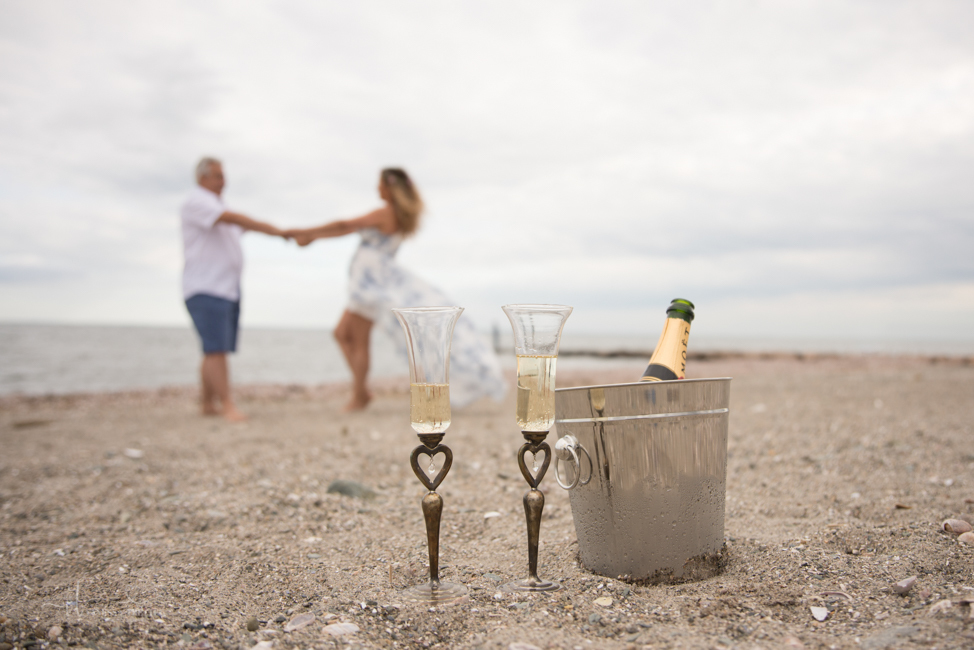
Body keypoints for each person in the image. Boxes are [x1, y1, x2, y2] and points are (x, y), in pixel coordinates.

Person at [287, 168, 506, 411]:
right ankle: (361, 391)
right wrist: (312, 236)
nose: (377, 188)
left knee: (358, 340)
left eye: (379, 184)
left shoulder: (386, 212)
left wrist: (307, 233)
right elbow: (346, 226)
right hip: (370, 279)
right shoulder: (399, 215)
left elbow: (345, 225)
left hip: (371, 283)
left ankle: (359, 396)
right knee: (341, 333)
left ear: (390, 188)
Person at [181, 157, 290, 421]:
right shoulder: (198, 202)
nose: (223, 181)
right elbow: (236, 219)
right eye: (218, 176)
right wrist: (279, 231)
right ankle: (228, 404)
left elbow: (241, 226)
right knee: (216, 349)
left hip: (225, 288)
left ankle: (208, 403)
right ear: (202, 178)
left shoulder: (217, 207)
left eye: (223, 175)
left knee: (213, 348)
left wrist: (282, 230)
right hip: (207, 287)